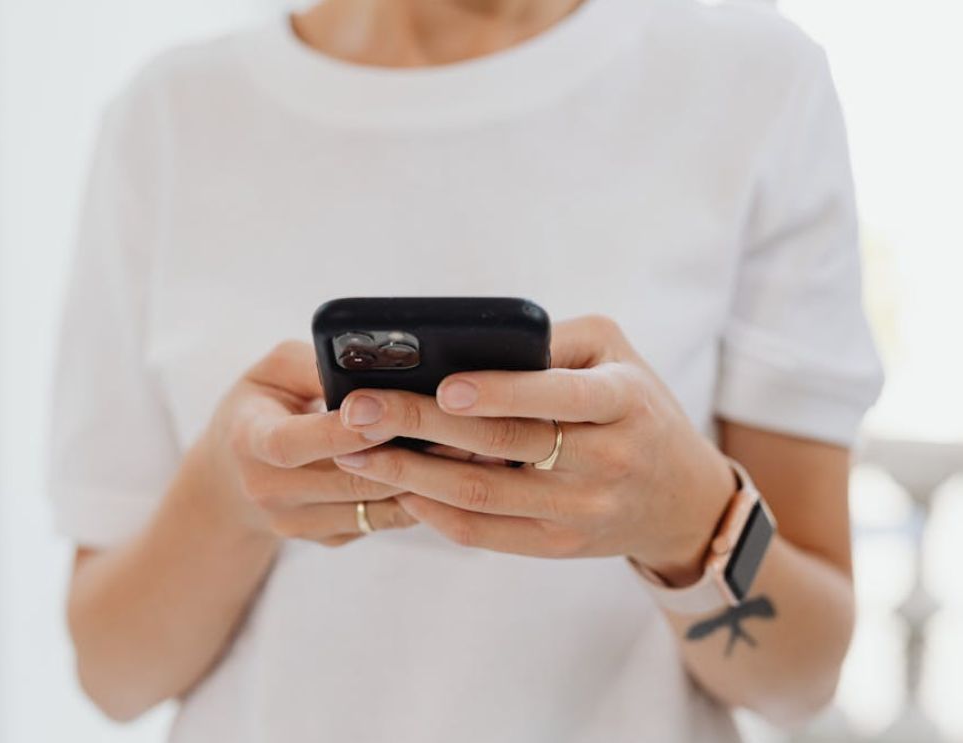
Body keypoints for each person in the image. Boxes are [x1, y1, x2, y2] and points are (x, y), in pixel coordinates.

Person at [49, 0, 884, 740]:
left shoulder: (753, 83)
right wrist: (226, 497)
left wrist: (685, 518)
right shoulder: (168, 118)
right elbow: (114, 675)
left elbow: (800, 679)